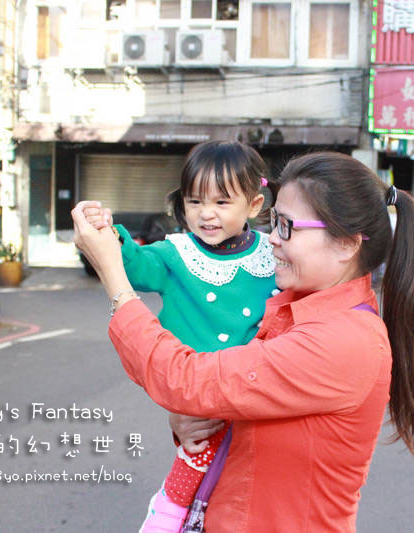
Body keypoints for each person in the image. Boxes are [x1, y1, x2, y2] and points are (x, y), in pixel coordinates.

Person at [73, 151, 414, 532]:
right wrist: (192, 413)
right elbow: (218, 391)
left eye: (288, 227)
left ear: (346, 243)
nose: (272, 239)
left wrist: (112, 274)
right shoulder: (293, 307)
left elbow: (189, 379)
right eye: (275, 221)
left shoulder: (341, 341)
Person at [81, 140, 278, 533]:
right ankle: (165, 520)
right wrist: (106, 230)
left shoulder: (273, 254)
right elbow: (135, 264)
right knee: (193, 480)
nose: (206, 214)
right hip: (199, 403)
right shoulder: (177, 253)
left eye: (222, 203)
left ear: (254, 206)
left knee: (247, 492)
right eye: (194, 202)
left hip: (257, 400)